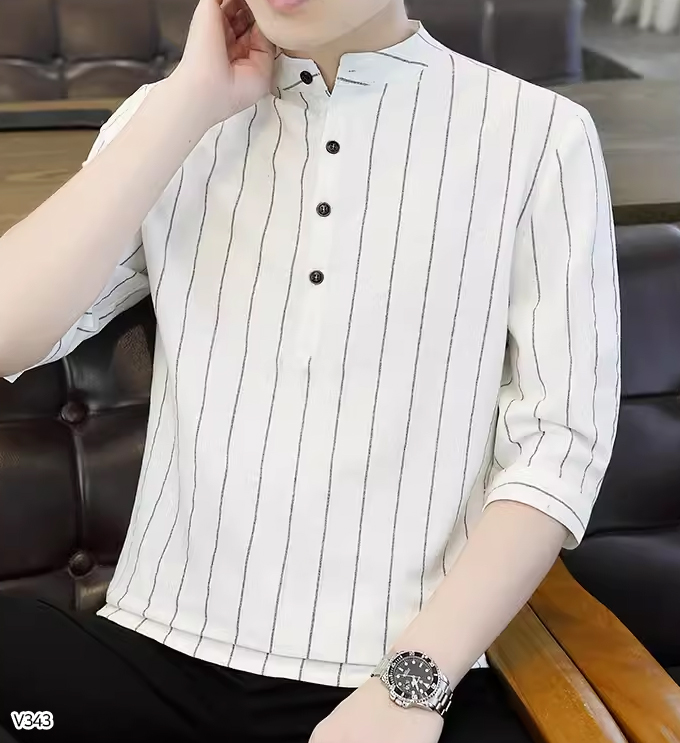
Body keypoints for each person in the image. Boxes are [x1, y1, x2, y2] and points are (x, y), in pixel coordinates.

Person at [0, 0, 620, 741]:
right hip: (152, 652)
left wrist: (409, 689)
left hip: (390, 679)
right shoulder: (172, 119)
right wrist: (185, 103)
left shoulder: (540, 135)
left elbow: (558, 447)